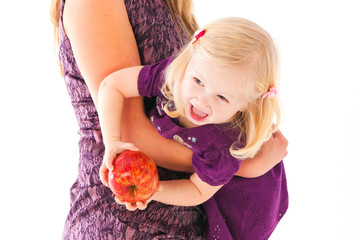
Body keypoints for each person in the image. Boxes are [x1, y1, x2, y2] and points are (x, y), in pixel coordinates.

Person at [50, 0, 288, 239]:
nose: (203, 101)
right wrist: (240, 166)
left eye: (222, 97)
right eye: (198, 82)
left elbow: (197, 189)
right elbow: (130, 132)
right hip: (124, 220)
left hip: (186, 217)